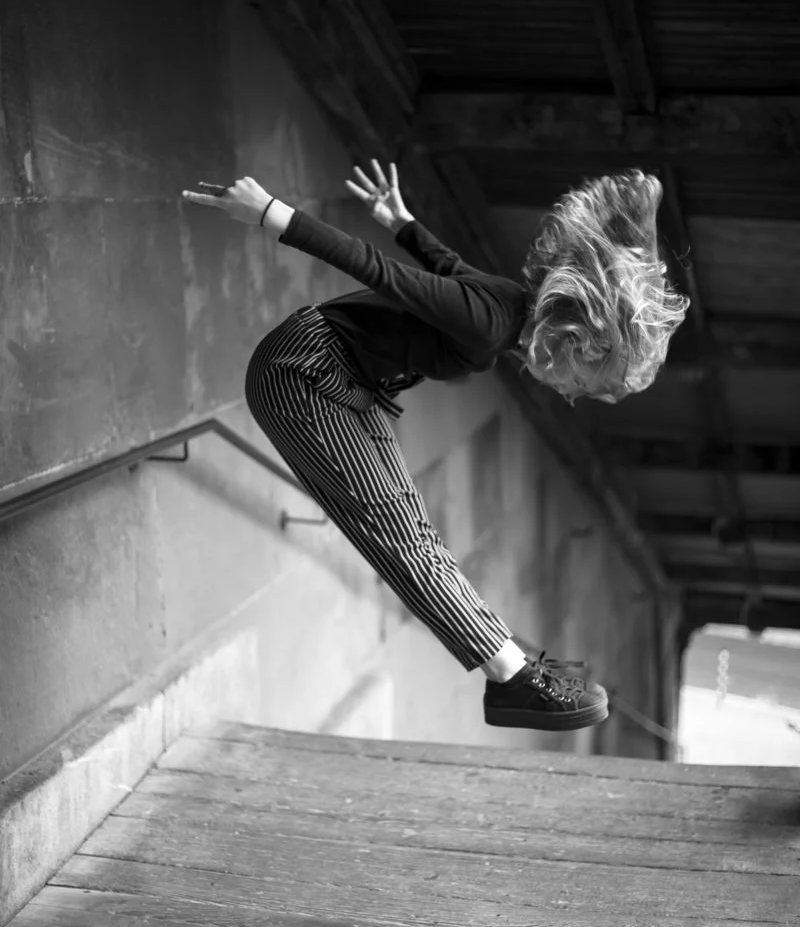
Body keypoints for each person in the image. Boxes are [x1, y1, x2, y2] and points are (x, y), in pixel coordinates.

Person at [182, 160, 687, 732]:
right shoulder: (489, 326)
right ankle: (512, 680)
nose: (571, 394)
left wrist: (402, 221)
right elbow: (381, 273)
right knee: (399, 535)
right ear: (571, 345)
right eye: (582, 384)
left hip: (344, 382)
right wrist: (271, 213)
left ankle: (514, 669)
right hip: (303, 373)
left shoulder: (507, 307)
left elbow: (449, 269)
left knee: (415, 531)